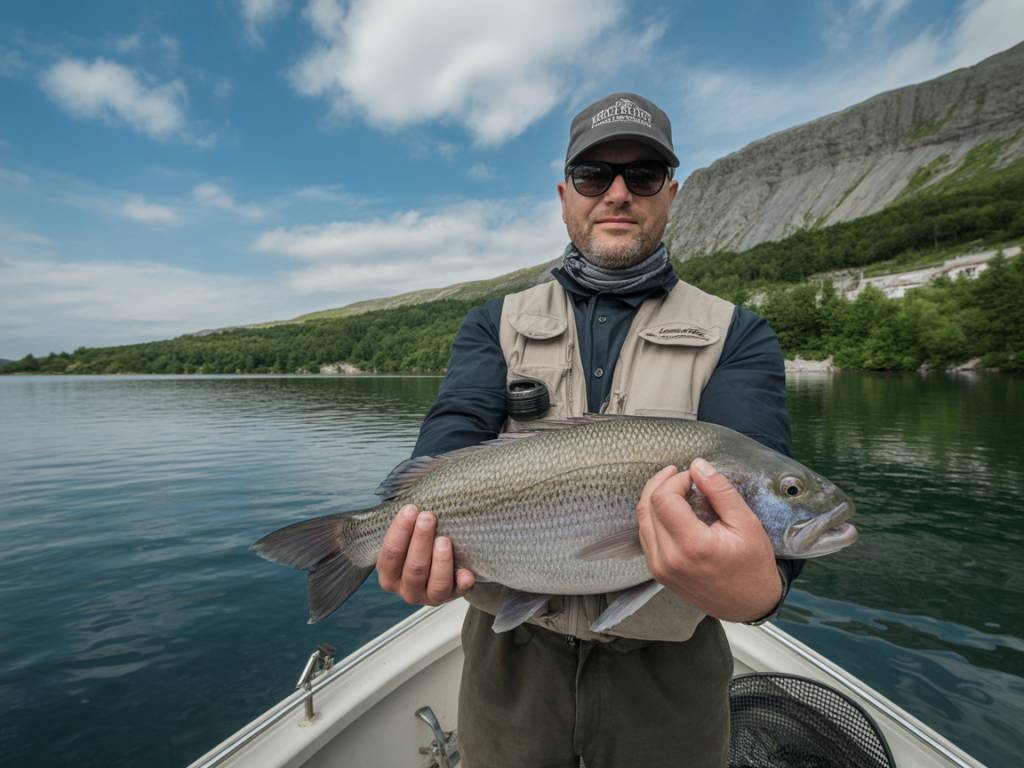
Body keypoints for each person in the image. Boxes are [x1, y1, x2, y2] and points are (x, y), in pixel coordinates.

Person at [375, 93, 800, 768]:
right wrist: (409, 536)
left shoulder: (738, 335)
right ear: (564, 195)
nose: (618, 194)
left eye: (644, 175)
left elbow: (763, 483)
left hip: (670, 678)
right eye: (594, 175)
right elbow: (451, 436)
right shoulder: (492, 324)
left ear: (671, 195)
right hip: (508, 665)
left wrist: (766, 589)